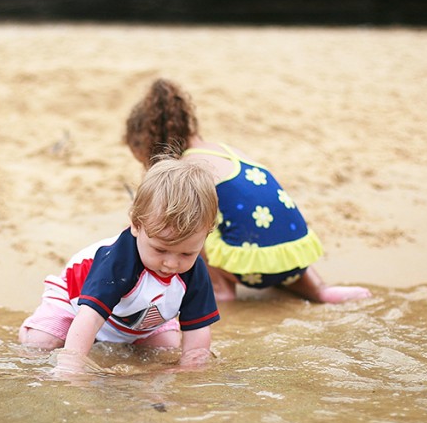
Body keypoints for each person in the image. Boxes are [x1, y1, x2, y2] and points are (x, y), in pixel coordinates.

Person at [125, 78, 372, 305]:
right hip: (294, 258)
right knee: (259, 227)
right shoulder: (224, 151)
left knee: (186, 223)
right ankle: (319, 290)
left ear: (148, 141)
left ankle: (220, 289)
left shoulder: (189, 168)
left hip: (253, 270)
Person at [19, 158, 221, 374]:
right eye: (160, 250)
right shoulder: (118, 260)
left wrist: (192, 371)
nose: (171, 263)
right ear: (135, 224)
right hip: (76, 303)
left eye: (187, 253)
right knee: (42, 344)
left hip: (139, 319)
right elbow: (90, 317)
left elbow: (198, 331)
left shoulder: (194, 271)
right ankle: (30, 331)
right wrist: (71, 369)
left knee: (167, 349)